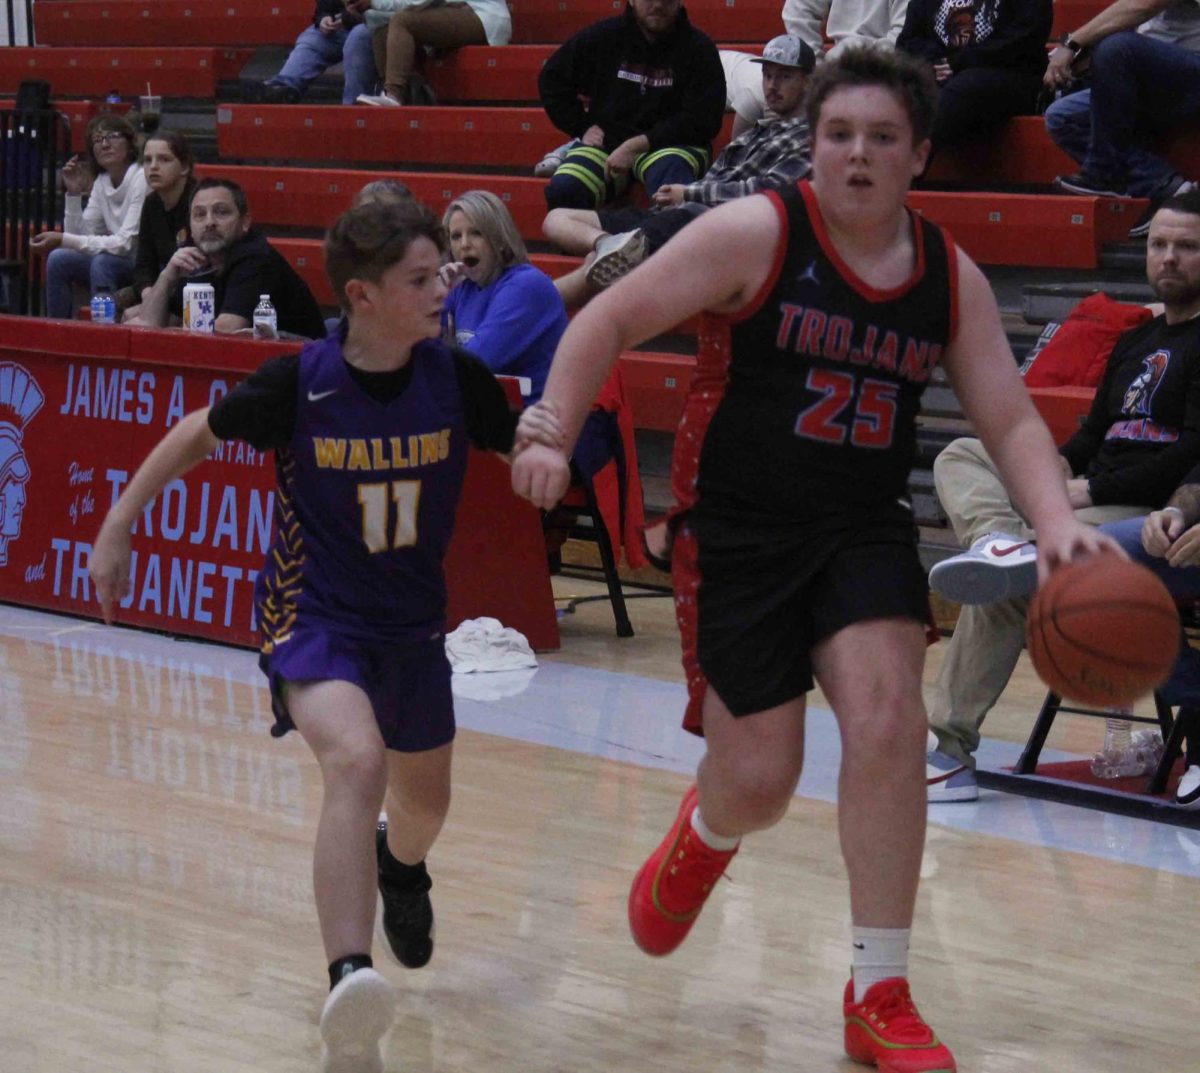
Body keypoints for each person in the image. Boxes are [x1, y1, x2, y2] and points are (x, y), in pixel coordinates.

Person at [511, 46, 1116, 1072]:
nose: (858, 155)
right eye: (839, 135)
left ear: (919, 154)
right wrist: (548, 426)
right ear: (813, 146)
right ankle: (708, 828)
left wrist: (1055, 520)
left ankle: (879, 988)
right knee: (760, 779)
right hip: (738, 531)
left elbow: (1009, 417)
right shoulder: (757, 230)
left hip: (860, 525)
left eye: (883, 138)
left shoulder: (944, 273)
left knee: (888, 719)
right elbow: (609, 314)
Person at [88, 198, 564, 1073]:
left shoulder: (453, 377)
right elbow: (196, 434)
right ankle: (351, 974)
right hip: (315, 615)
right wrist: (118, 525)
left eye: (444, 273)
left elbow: (522, 445)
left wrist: (541, 450)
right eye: (423, 278)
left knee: (425, 806)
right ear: (364, 295)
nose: (443, 288)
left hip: (415, 628)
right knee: (354, 760)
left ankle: (402, 865)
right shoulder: (298, 381)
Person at [925, 187, 1200, 802]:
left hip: (1140, 510)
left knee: (1015, 583)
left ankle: (947, 751)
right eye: (1159, 244)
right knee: (964, 453)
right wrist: (1048, 477)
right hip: (1084, 494)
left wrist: (1080, 490)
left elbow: (1187, 457)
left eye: (1187, 246)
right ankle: (997, 541)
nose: (1169, 258)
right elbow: (1091, 435)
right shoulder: (1135, 340)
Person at [543, 33, 814, 301]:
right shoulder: (757, 132)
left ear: (808, 82)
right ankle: (609, 245)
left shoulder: (810, 140)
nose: (772, 85)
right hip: (679, 214)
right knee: (557, 220)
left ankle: (536, 307)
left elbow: (767, 192)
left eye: (784, 76)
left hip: (708, 225)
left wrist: (688, 193)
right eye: (767, 75)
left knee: (597, 263)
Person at [537, 0, 725, 211]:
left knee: (673, 198)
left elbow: (704, 120)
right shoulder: (604, 37)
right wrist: (582, 126)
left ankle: (658, 243)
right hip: (609, 144)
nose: (658, 5)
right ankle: (597, 242)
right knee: (564, 192)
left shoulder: (699, 48)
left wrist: (638, 144)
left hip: (672, 144)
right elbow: (552, 78)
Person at [1044, 0, 1200, 238]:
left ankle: (1102, 173)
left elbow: (1143, 6)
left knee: (1117, 48)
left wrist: (1073, 43)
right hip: (1158, 76)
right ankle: (1167, 187)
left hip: (1189, 76)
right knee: (1062, 117)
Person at [132, 178, 326, 339]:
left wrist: (167, 333)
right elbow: (147, 326)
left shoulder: (257, 258)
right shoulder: (194, 255)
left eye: (221, 212)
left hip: (302, 369)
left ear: (245, 222)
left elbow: (224, 332)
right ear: (190, 225)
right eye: (199, 215)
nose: (209, 222)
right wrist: (167, 277)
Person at [441, 191, 568, 405]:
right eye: (456, 236)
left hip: (542, 425)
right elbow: (419, 354)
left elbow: (475, 365)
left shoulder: (526, 286)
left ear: (500, 240)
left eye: (476, 233)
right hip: (495, 420)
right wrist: (434, 297)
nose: (464, 244)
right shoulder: (461, 288)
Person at [29, 113, 147, 320]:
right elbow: (78, 238)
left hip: (143, 266)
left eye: (112, 136)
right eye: (97, 139)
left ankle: (104, 334)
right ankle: (59, 332)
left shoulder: (141, 178)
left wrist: (62, 239)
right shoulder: (102, 182)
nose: (104, 144)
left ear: (130, 144)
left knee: (103, 262)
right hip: (116, 260)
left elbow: (125, 244)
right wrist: (74, 194)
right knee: (59, 258)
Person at [896, 0, 1052, 157]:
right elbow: (908, 41)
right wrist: (934, 60)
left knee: (962, 87)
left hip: (1008, 73)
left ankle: (899, 172)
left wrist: (959, 62)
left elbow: (1026, 38)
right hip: (943, 71)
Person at [347, 0, 511, 106]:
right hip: (458, 10)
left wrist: (374, 2)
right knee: (382, 30)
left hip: (484, 16)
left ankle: (394, 94)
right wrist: (364, 10)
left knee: (403, 20)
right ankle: (400, 96)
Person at [122, 130, 196, 323]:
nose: (153, 167)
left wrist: (155, 303)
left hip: (196, 295)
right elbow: (144, 265)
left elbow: (196, 271)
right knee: (113, 305)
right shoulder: (152, 203)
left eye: (164, 159)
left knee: (135, 320)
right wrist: (148, 295)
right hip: (163, 288)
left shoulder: (200, 203)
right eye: (147, 160)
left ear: (185, 167)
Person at [259, 0, 361, 104]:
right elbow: (325, 5)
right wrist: (324, 17)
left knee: (357, 38)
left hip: (369, 27)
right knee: (312, 38)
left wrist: (349, 18)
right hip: (340, 26)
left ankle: (354, 105)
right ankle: (284, 87)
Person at [784, 0, 910, 60]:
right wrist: (814, 65)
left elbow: (903, 35)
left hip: (889, 74)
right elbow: (797, 11)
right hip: (835, 67)